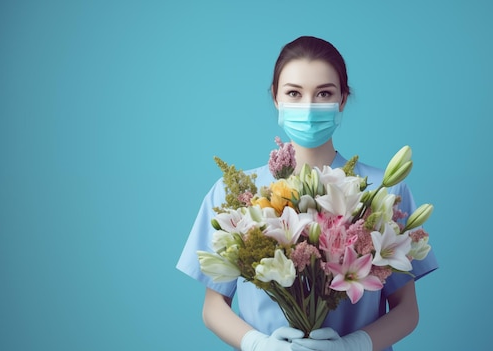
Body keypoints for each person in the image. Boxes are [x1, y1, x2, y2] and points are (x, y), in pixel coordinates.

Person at [176, 35, 438, 351]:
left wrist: (352, 346)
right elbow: (213, 307)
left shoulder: (383, 191)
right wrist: (259, 345)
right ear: (276, 97)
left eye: (324, 93)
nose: (309, 107)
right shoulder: (235, 196)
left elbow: (407, 310)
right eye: (294, 93)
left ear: (343, 99)